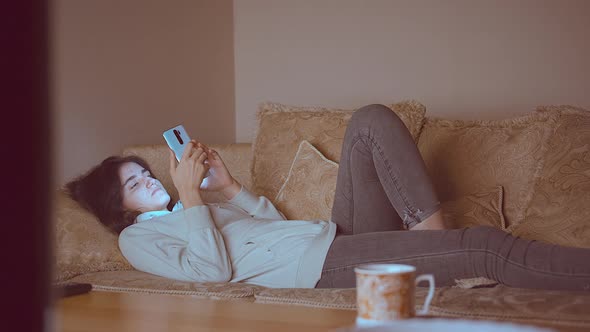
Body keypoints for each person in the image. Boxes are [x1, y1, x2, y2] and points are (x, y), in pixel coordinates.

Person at [66, 104, 590, 291]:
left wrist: (228, 190)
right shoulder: (140, 241)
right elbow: (212, 272)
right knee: (484, 248)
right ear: (121, 211)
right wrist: (195, 201)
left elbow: (272, 227)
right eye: (135, 185)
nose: (151, 181)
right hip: (322, 268)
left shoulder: (192, 206)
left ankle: (437, 247)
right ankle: (454, 255)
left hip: (331, 238)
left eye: (144, 173)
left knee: (370, 122)